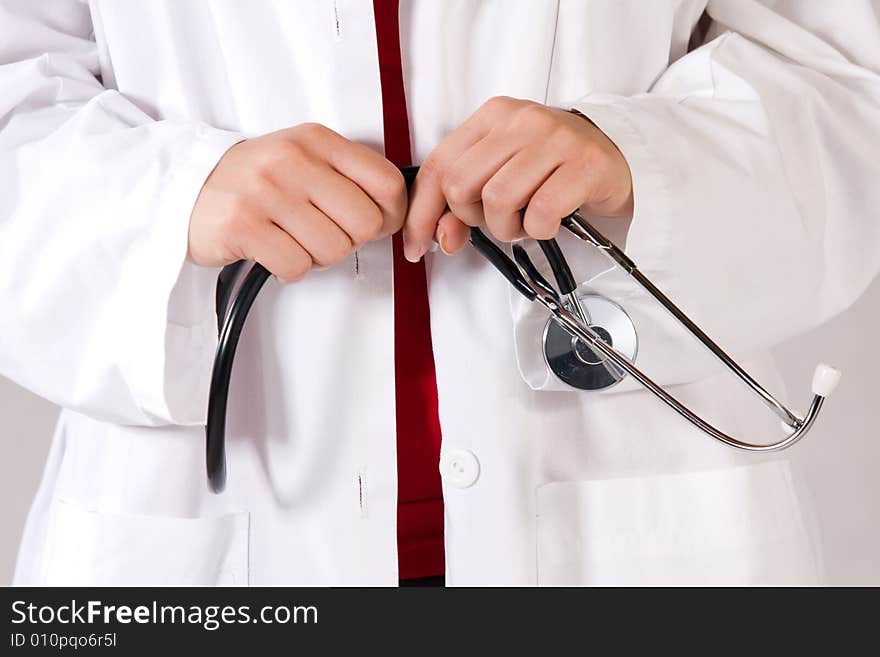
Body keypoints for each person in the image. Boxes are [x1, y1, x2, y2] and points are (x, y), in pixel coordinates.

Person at [2, 0, 879, 586]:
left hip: (636, 527)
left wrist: (635, 158)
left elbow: (844, 82)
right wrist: (177, 192)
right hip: (199, 543)